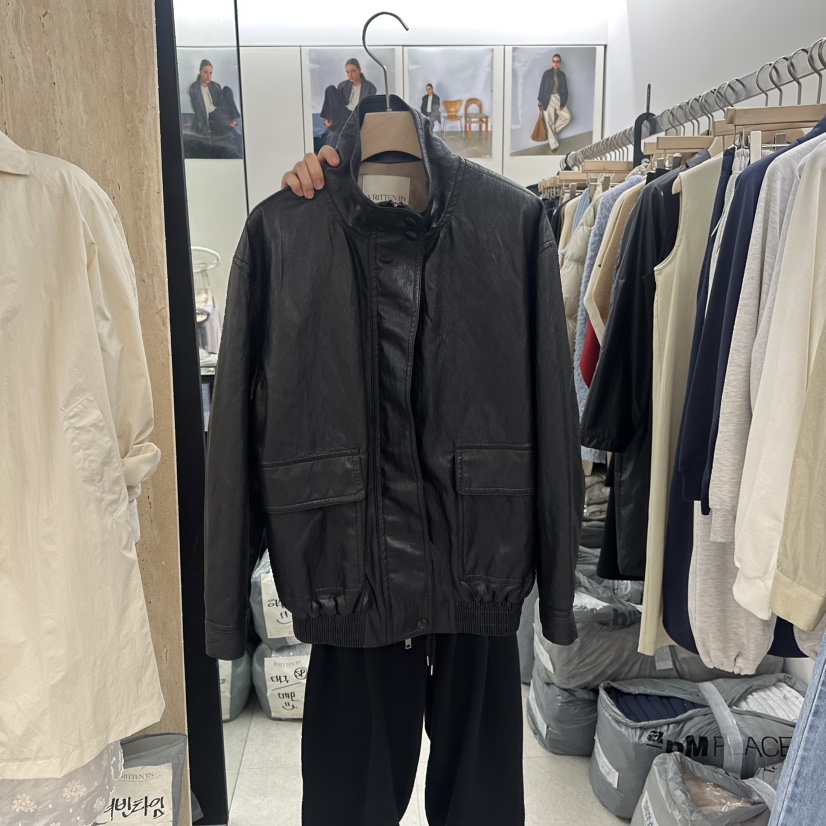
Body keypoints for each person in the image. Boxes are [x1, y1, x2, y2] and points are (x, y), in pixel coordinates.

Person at [187, 59, 243, 159]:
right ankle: (228, 122)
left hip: (219, 111)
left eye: (210, 73)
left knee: (227, 90)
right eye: (205, 72)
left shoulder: (215, 86)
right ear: (200, 71)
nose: (208, 76)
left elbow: (221, 103)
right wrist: (200, 123)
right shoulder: (194, 88)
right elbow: (199, 109)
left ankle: (233, 120)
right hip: (211, 115)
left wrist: (228, 117)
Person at [319, 58, 378, 147]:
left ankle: (331, 128)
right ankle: (328, 122)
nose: (350, 75)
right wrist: (327, 118)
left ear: (359, 70)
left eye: (353, 71)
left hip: (357, 114)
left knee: (338, 132)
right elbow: (335, 103)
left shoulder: (370, 87)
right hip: (344, 112)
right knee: (330, 89)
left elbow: (369, 107)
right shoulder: (343, 85)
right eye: (347, 72)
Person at [537, 53, 571, 153]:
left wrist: (563, 103)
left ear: (560, 63)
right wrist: (540, 102)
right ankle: (553, 145)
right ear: (552, 62)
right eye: (554, 61)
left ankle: (552, 132)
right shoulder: (546, 73)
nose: (555, 63)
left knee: (567, 117)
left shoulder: (562, 75)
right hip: (546, 98)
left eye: (557, 61)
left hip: (557, 97)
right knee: (549, 121)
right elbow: (542, 87)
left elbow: (565, 90)